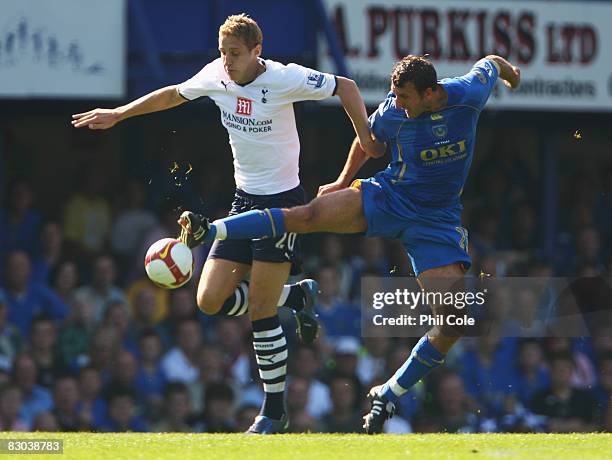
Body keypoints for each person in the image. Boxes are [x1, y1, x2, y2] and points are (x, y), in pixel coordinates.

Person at [176, 53, 521, 433]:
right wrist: (342, 182)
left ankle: (389, 392)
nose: (397, 104)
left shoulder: (469, 92)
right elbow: (366, 141)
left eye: (404, 97)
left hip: (436, 221)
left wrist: (510, 73)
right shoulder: (394, 111)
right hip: (389, 197)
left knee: (454, 322)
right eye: (394, 96)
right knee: (306, 215)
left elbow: (490, 62)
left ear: (431, 93)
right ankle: (213, 231)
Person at [72, 13, 379, 433]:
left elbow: (346, 86)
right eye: (223, 52)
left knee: (259, 310)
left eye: (235, 53)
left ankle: (273, 411)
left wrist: (365, 136)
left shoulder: (285, 78)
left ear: (257, 51)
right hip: (242, 200)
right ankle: (295, 297)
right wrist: (119, 113)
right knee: (208, 300)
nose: (228, 61)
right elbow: (173, 95)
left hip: (282, 205)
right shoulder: (218, 74)